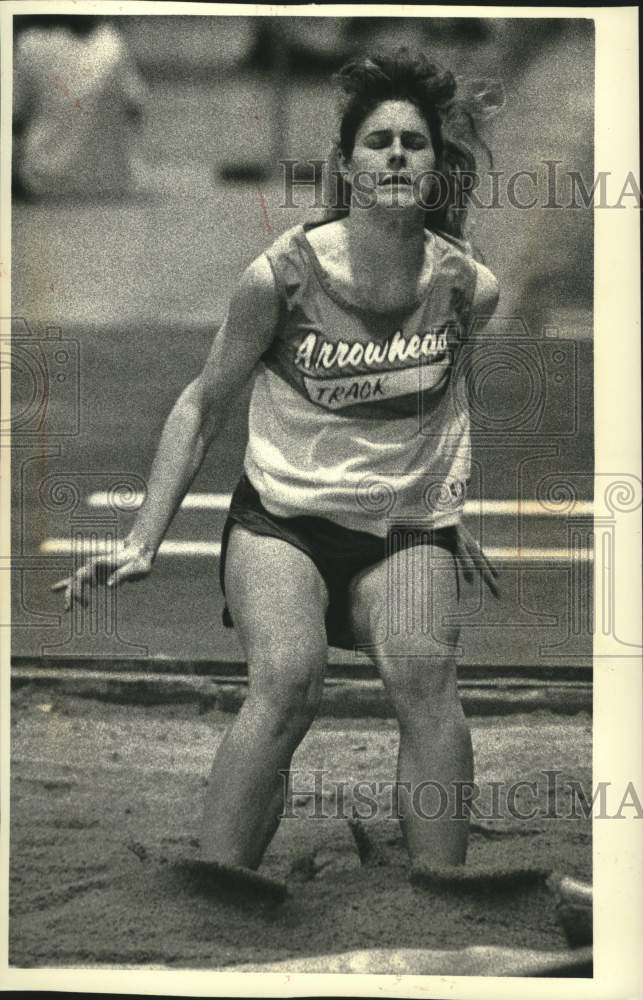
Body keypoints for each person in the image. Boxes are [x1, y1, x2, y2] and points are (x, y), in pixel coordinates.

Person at [53, 49, 499, 886]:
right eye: (378, 141)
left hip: (401, 534)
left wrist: (448, 514)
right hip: (282, 523)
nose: (397, 154)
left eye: (414, 142)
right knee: (289, 678)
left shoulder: (470, 288)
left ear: (437, 169)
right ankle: (218, 885)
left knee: (424, 670)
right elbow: (201, 403)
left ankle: (443, 890)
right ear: (346, 164)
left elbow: (443, 401)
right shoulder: (279, 275)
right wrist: (145, 537)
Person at [13, 15, 146, 200]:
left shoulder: (30, 44)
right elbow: (135, 110)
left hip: (41, 182)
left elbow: (15, 118)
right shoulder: (112, 42)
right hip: (113, 182)